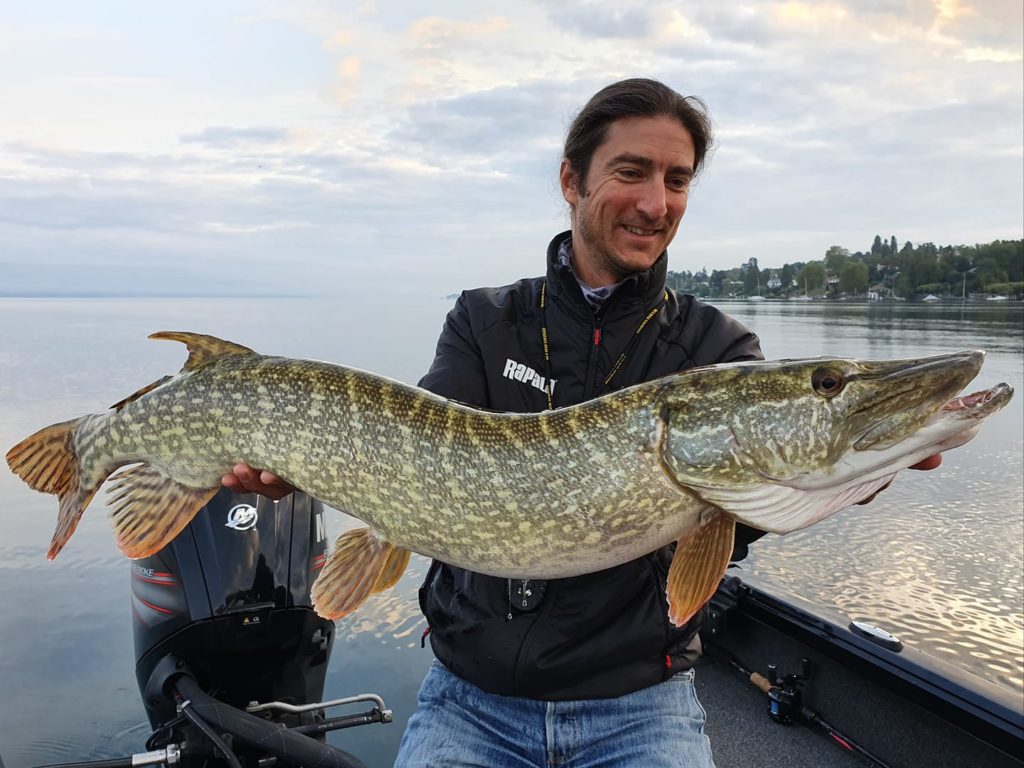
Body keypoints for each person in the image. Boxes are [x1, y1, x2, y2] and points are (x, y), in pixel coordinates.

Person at [224, 78, 942, 767]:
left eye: (679, 180)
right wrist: (298, 468)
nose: (656, 203)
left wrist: (852, 469)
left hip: (640, 705)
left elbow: (738, 518)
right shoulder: (484, 319)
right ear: (572, 182)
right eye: (633, 171)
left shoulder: (718, 351)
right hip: (472, 699)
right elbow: (407, 463)